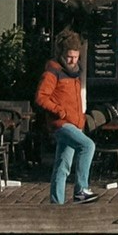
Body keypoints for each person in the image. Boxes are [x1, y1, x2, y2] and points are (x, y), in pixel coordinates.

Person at [36, 36, 96, 205]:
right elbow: (41, 97)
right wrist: (59, 111)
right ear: (62, 54)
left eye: (76, 57)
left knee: (63, 165)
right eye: (69, 56)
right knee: (88, 145)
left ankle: (56, 204)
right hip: (61, 123)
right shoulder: (53, 72)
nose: (72, 60)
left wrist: (81, 119)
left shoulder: (75, 73)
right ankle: (81, 189)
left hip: (75, 123)